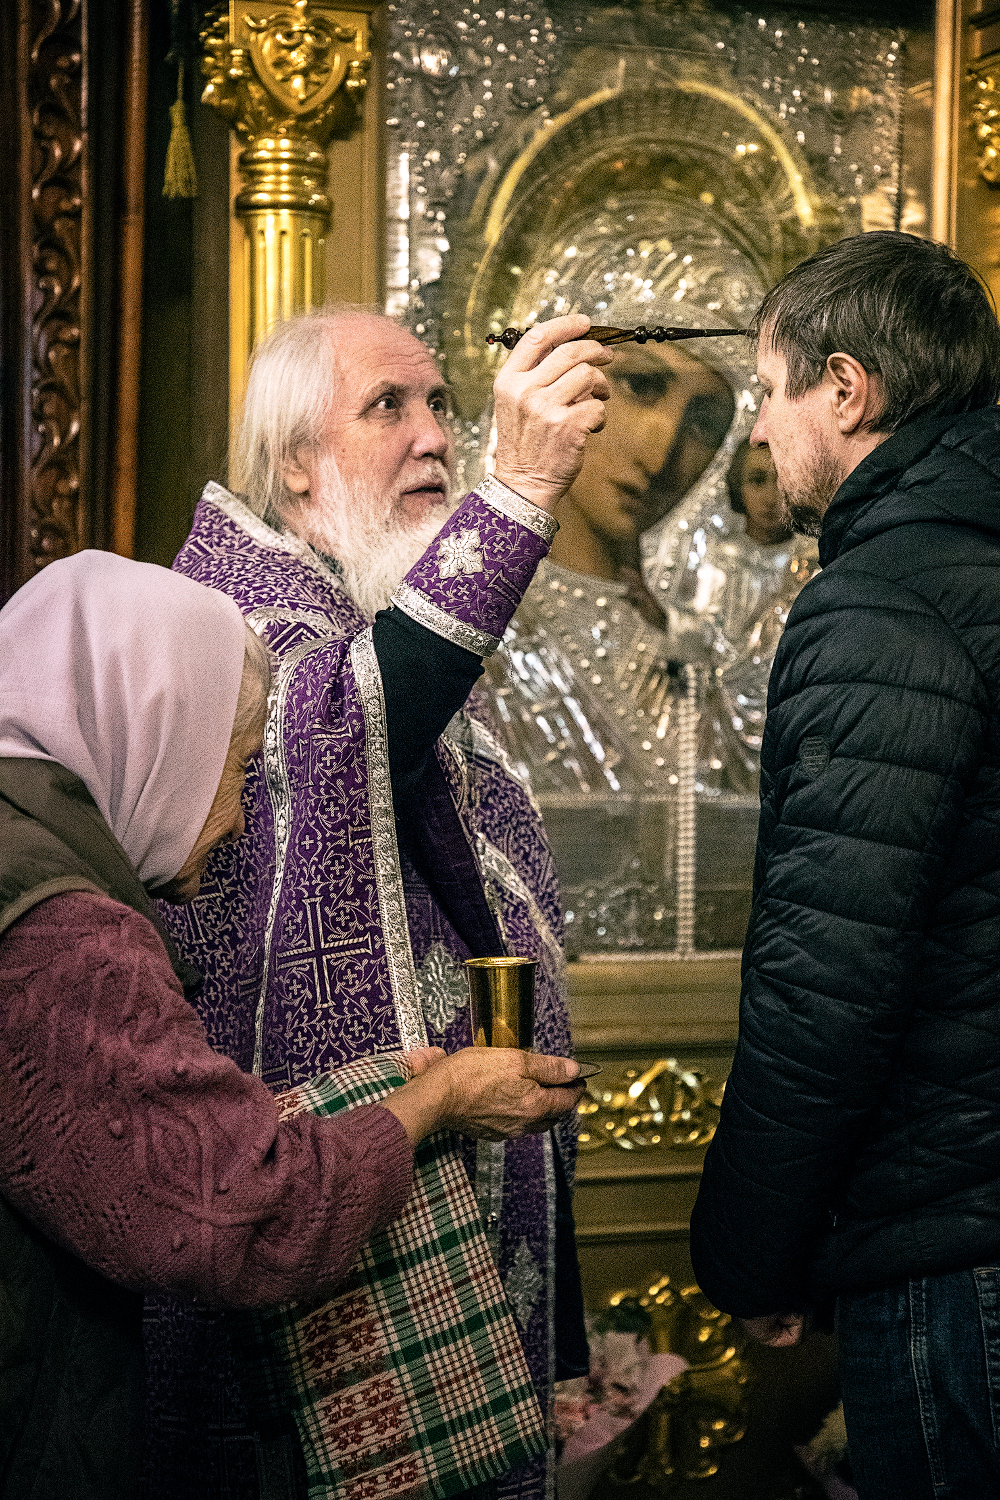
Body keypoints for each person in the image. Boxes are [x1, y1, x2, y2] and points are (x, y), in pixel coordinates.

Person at [0, 550, 586, 1499]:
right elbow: (238, 1210)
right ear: (157, 735)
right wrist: (435, 1100)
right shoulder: (61, 926)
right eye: (234, 770)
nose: (236, 819)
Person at [154, 310, 611, 1500]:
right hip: (312, 1227)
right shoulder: (231, 630)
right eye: (388, 407)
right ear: (295, 461)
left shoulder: (356, 610)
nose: (434, 438)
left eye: (442, 404)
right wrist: (515, 494)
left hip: (463, 1184)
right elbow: (352, 719)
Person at [688, 229, 1000, 1498]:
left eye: (769, 391)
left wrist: (754, 1256)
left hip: (945, 1243)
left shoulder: (882, 602)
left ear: (846, 390)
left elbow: (831, 977)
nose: (758, 430)